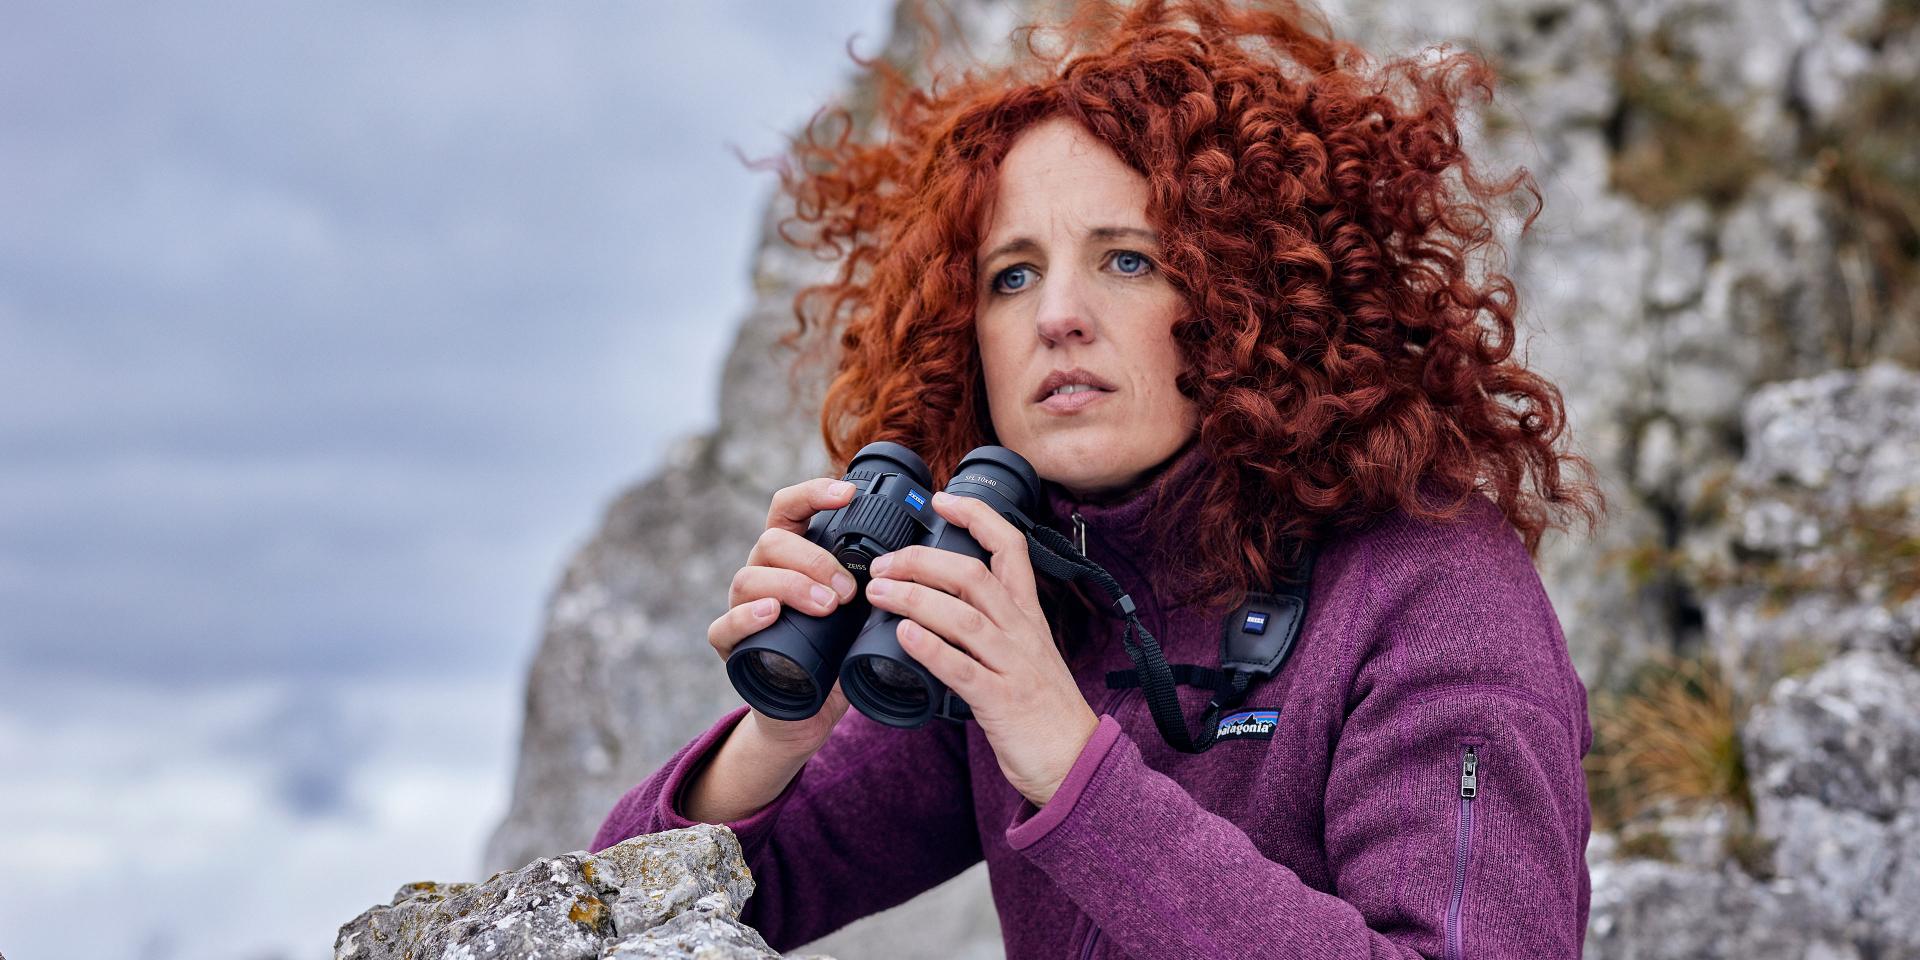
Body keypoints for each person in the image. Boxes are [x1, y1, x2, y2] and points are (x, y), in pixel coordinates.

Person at [593, 1, 1605, 958]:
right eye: (1011, 275)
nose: (1056, 316)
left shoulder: (1435, 595)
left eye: (1126, 261)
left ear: (1248, 296)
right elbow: (607, 920)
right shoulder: (1026, 602)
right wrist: (776, 738)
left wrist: (1072, 766)